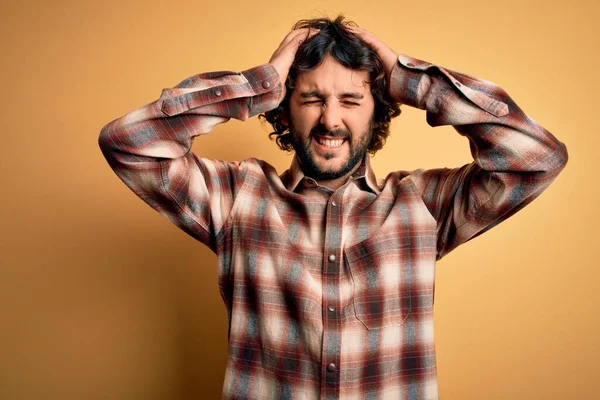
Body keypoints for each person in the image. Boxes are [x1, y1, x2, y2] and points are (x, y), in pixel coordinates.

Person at [98, 15, 568, 400]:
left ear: (377, 111)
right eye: (311, 98)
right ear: (284, 108)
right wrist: (261, 82)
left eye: (350, 100)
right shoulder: (236, 199)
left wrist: (412, 82)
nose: (330, 119)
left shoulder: (423, 206)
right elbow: (128, 143)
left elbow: (538, 159)